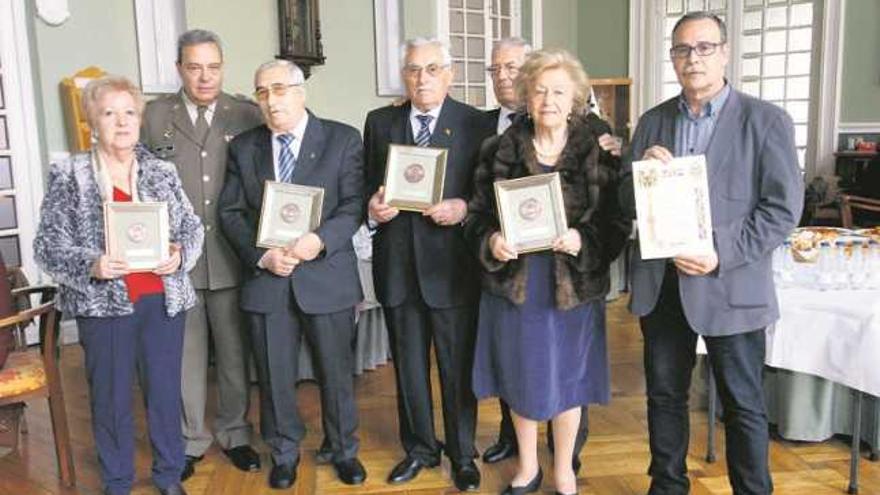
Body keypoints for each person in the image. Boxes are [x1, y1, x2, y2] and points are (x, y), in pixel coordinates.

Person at [620, 12, 803, 495]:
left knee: (744, 404)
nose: (692, 58)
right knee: (664, 397)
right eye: (682, 49)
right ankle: (667, 486)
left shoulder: (766, 121)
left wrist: (718, 251)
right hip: (662, 286)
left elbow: (783, 210)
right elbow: (622, 199)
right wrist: (641, 173)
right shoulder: (653, 120)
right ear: (673, 58)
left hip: (732, 283)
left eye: (703, 47)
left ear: (724, 52)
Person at [466, 48, 629, 495]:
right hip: (515, 285)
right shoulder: (499, 149)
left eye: (559, 91)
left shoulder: (597, 149)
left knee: (568, 379)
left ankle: (563, 471)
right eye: (539, 91)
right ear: (525, 95)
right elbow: (476, 217)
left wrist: (584, 241)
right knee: (519, 376)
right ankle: (527, 467)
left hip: (574, 286)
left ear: (575, 96)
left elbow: (616, 222)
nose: (548, 100)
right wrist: (492, 241)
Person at [34, 76, 204, 495]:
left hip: (163, 303)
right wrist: (92, 264)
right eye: (109, 113)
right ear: (93, 122)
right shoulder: (70, 174)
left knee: (165, 395)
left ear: (139, 119)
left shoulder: (161, 170)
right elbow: (46, 245)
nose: (122, 122)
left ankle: (168, 475)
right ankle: (117, 481)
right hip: (104, 307)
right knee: (110, 402)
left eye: (129, 112)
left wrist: (180, 255)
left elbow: (192, 228)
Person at [217, 59, 366, 489]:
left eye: (280, 89)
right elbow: (231, 213)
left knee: (337, 374)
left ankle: (343, 449)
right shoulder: (245, 147)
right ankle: (284, 453)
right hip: (268, 279)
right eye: (262, 92)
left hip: (326, 275)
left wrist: (318, 241)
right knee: (274, 375)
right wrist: (262, 257)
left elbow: (352, 204)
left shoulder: (341, 139)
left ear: (301, 92)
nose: (271, 100)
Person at [363, 37, 494, 491]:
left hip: (452, 269)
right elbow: (366, 187)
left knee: (458, 369)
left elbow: (489, 195)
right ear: (404, 75)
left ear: (450, 74)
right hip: (398, 268)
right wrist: (373, 209)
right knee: (409, 368)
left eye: (432, 69)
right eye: (414, 70)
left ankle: (462, 454)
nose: (423, 78)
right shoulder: (380, 123)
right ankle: (419, 448)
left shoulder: (477, 124)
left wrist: (462, 207)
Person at [140, 28, 263, 481]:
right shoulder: (153, 117)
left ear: (222, 67)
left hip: (232, 257)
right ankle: (192, 439)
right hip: (176, 263)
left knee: (234, 354)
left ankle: (235, 432)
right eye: (194, 67)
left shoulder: (246, 114)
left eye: (213, 66)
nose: (204, 76)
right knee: (186, 356)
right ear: (179, 69)